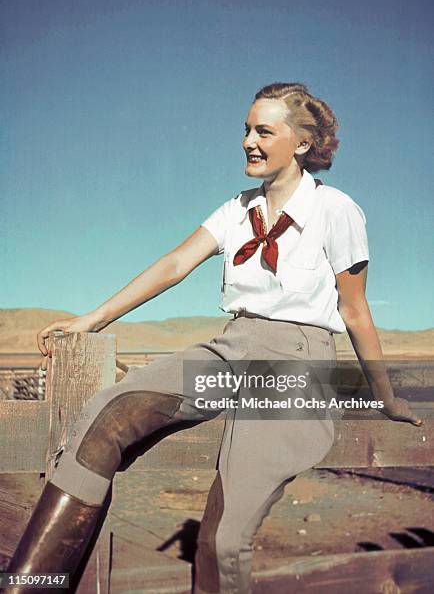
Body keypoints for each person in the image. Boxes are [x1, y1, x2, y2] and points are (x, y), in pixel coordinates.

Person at [6, 82, 422, 594]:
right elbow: (175, 264)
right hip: (230, 350)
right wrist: (92, 319)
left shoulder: (336, 210)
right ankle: (29, 587)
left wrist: (384, 394)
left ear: (303, 144)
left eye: (264, 131)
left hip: (294, 367)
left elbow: (355, 310)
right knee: (107, 415)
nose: (249, 140)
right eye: (246, 129)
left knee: (222, 541)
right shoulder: (235, 209)